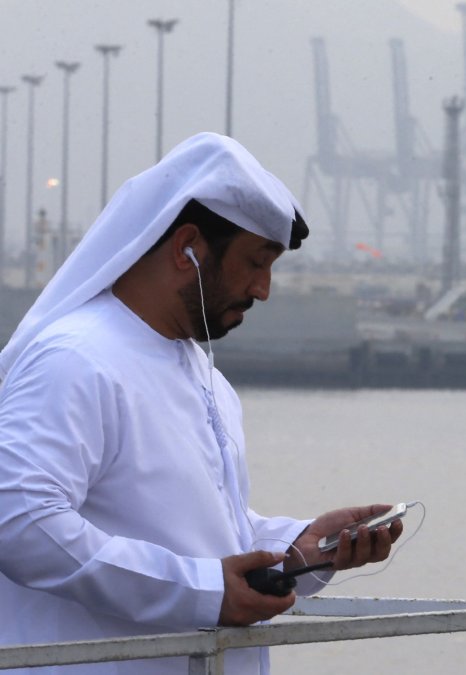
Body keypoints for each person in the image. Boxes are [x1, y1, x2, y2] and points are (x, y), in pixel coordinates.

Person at [0, 133, 401, 674]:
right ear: (188, 247)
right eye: (256, 262)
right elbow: (21, 521)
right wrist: (201, 591)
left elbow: (201, 530)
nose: (263, 289)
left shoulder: (202, 373)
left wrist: (300, 548)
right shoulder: (77, 359)